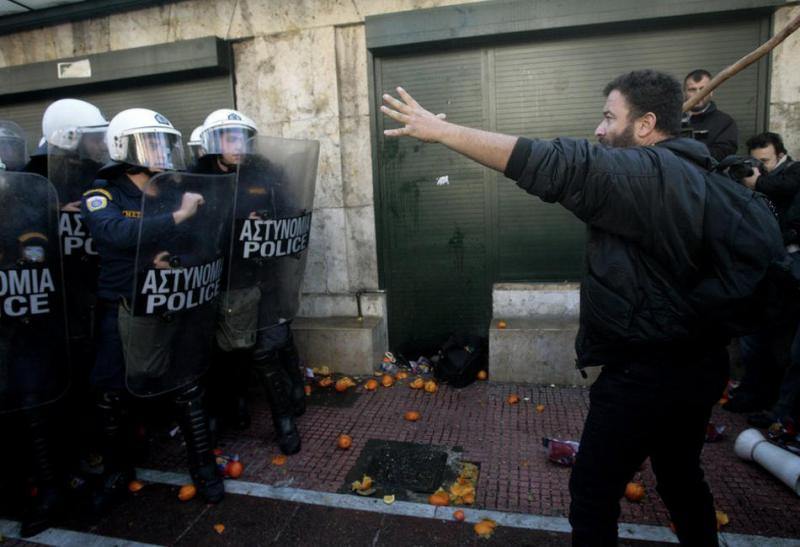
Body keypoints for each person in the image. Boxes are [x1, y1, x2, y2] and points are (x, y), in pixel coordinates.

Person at [380, 70, 784, 546]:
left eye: (609, 117)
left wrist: (444, 131)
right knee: (680, 476)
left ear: (646, 124)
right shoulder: (699, 172)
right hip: (701, 367)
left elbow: (555, 164)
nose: (598, 128)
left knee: (593, 492)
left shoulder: (646, 175)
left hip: (645, 375)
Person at [81, 108, 225, 511]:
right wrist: (175, 220)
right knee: (110, 392)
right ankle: (116, 469)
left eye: (164, 143)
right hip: (122, 303)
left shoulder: (176, 187)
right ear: (122, 147)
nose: (160, 151)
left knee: (188, 385)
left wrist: (178, 257)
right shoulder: (103, 192)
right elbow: (112, 234)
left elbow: (201, 239)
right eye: (150, 142)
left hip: (171, 299)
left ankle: (203, 467)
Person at [193, 108, 307, 455]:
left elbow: (290, 210)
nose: (237, 144)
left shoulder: (265, 173)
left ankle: (284, 422)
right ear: (214, 141)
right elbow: (188, 229)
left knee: (266, 350)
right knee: (221, 353)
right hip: (219, 281)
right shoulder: (197, 178)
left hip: (263, 277)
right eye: (229, 137)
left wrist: (270, 220)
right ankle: (223, 414)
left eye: (241, 137)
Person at [725, 132, 800, 426]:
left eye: (765, 162)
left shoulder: (793, 173)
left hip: (786, 276)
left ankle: (779, 410)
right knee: (752, 339)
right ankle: (754, 394)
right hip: (759, 271)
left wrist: (757, 183)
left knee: (783, 346)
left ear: (780, 154)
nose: (761, 168)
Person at [682, 69, 739, 161]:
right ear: (685, 92)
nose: (698, 94)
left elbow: (724, 153)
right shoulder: (673, 119)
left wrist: (692, 151)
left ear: (711, 91)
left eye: (703, 89)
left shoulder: (725, 122)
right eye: (692, 90)